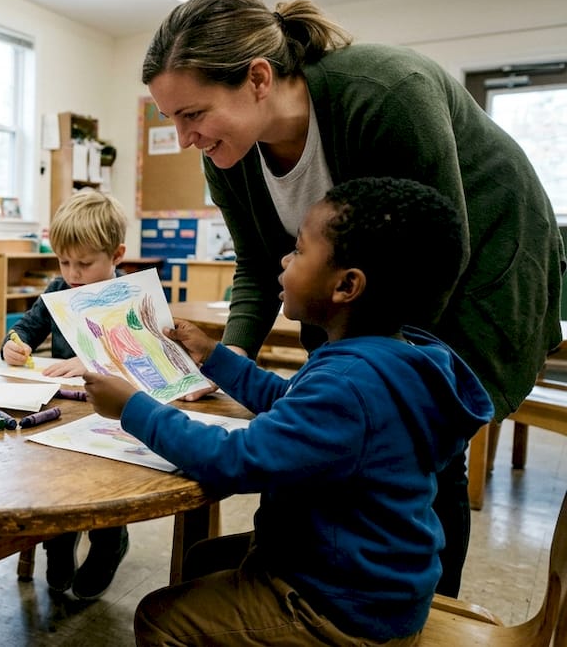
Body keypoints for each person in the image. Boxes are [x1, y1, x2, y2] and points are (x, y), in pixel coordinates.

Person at [141, 0, 563, 597]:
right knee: (342, 437)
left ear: (258, 78)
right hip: (376, 289)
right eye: (170, 119)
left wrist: (376, 382)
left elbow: (429, 260)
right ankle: (330, 591)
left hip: (477, 268)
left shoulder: (386, 94)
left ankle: (416, 613)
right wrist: (225, 363)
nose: (183, 137)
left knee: (420, 449)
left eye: (193, 113)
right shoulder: (226, 154)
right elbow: (259, 267)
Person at [87, 178, 494, 645]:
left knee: (160, 618)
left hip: (343, 607)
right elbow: (292, 400)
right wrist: (214, 356)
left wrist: (131, 408)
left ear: (346, 286)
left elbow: (234, 460)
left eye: (299, 251)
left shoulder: (349, 385)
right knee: (202, 560)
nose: (283, 260)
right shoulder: (386, 361)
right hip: (372, 577)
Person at [1, 189, 131, 600]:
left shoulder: (130, 295)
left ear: (116, 255)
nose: (72, 273)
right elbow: (25, 328)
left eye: (85, 263)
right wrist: (14, 344)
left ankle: (110, 543)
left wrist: (94, 359)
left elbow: (145, 356)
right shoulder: (58, 290)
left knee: (107, 483)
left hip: (114, 419)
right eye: (64, 261)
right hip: (60, 414)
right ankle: (58, 541)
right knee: (56, 481)